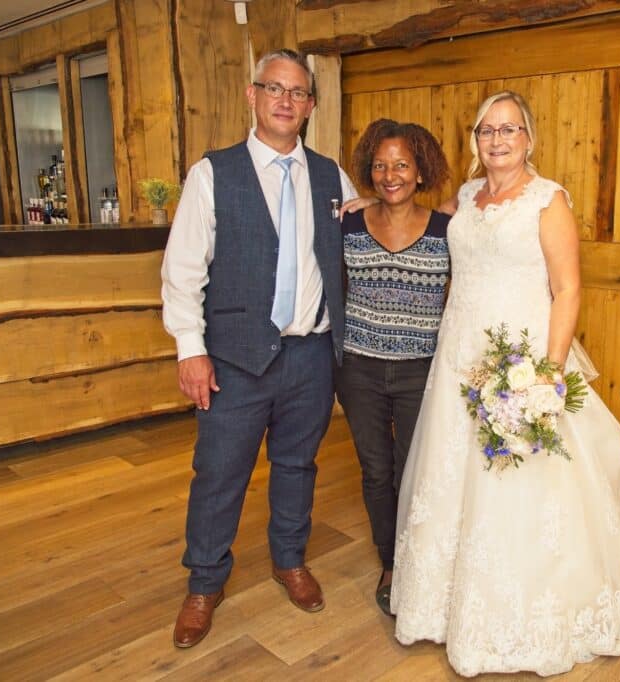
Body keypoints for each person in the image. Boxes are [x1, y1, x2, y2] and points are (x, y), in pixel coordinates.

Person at [390, 91, 620, 677]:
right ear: (475, 140)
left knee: (516, 481)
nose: (497, 140)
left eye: (509, 130)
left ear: (529, 138)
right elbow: (414, 219)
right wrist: (364, 204)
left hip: (516, 357)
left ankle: (514, 612)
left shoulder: (549, 201)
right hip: (458, 356)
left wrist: (543, 375)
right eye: (486, 130)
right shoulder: (466, 198)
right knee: (453, 474)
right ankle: (445, 606)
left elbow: (568, 289)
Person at [161, 48, 357, 649]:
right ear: (252, 95)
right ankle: (205, 582)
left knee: (298, 466)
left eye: (297, 92)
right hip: (234, 361)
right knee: (219, 473)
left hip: (311, 356)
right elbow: (183, 269)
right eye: (274, 88)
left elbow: (362, 243)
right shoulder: (212, 173)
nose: (285, 100)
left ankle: (289, 559)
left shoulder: (332, 176)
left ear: (310, 105)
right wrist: (190, 350)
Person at [334, 119, 450, 615]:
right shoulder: (349, 223)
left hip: (421, 371)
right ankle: (390, 562)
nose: (390, 174)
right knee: (376, 470)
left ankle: (416, 559)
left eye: (402, 164)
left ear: (420, 171)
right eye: (380, 165)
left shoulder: (448, 229)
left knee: (413, 471)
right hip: (359, 369)